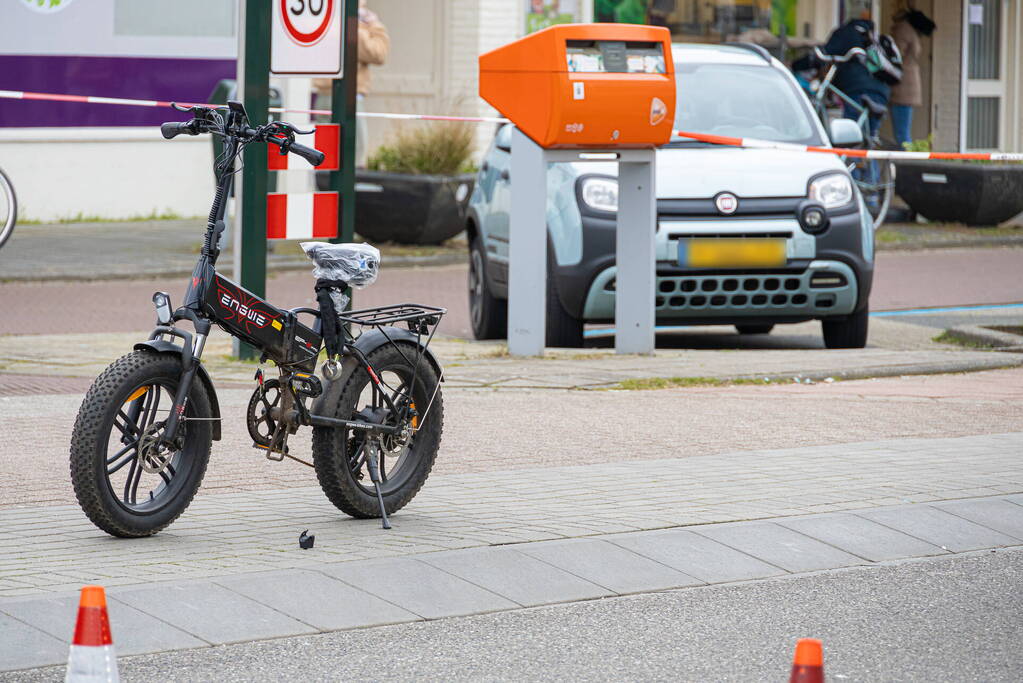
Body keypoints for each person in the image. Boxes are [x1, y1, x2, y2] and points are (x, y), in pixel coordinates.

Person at [313, 0, 389, 167]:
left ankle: (325, 183)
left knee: (324, 154)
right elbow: (378, 53)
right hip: (348, 97)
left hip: (324, 95)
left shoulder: (323, 20)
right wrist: (372, 24)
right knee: (354, 154)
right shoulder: (351, 25)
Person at [822, 0, 888, 139]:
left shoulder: (845, 33)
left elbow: (824, 54)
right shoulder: (875, 37)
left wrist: (797, 65)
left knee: (850, 136)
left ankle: (855, 153)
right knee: (869, 136)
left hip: (857, 90)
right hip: (882, 91)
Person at [889, 9, 935, 148]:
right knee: (903, 131)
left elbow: (896, 56)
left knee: (901, 134)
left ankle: (906, 159)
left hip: (902, 87)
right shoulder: (913, 33)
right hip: (910, 85)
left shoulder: (903, 30)